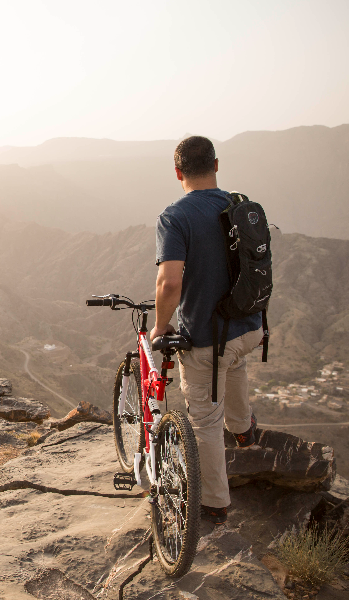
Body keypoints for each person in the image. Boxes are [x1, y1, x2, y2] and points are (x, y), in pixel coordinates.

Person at [149, 136, 263, 525]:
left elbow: (169, 283)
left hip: (208, 339)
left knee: (204, 421)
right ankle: (244, 429)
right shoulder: (236, 205)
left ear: (177, 172)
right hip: (250, 327)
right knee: (233, 365)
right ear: (216, 164)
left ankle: (214, 502)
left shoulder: (175, 216)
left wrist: (160, 328)